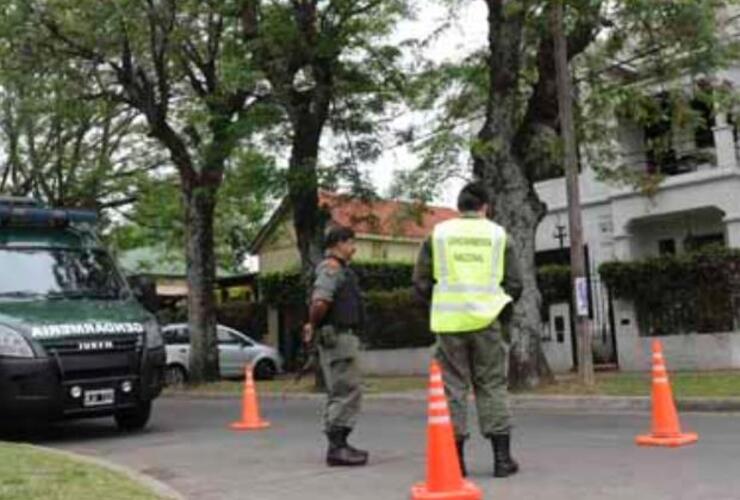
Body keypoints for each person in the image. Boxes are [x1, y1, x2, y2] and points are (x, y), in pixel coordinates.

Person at [413, 181, 523, 478]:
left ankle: (456, 462)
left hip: (449, 323)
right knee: (492, 386)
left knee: (453, 389)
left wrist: (439, 304)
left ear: (460, 207)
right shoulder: (499, 235)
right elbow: (515, 283)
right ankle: (502, 459)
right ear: (485, 206)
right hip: (488, 322)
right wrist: (498, 306)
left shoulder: (439, 234)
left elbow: (421, 282)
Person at [303, 225, 368, 467]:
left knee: (343, 390)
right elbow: (320, 301)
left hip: (342, 337)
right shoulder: (331, 268)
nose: (354, 247)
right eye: (351, 242)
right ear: (339, 243)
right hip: (338, 338)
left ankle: (340, 443)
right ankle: (337, 447)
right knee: (346, 390)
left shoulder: (340, 269)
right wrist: (312, 323)